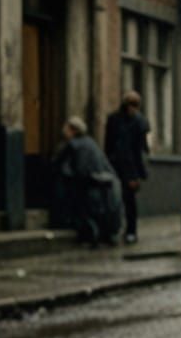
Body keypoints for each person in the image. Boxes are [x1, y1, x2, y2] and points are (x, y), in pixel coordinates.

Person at [53, 116, 122, 247]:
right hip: (101, 182)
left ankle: (91, 233)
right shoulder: (91, 142)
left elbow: (70, 166)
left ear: (73, 130)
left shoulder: (73, 145)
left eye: (66, 129)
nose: (64, 131)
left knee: (84, 210)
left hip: (86, 184)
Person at [104, 90, 151, 244]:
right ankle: (114, 229)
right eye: (130, 105)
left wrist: (137, 175)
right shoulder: (115, 120)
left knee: (129, 201)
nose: (133, 108)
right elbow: (110, 145)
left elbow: (141, 150)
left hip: (129, 168)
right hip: (116, 166)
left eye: (135, 105)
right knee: (114, 200)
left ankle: (131, 231)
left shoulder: (140, 123)